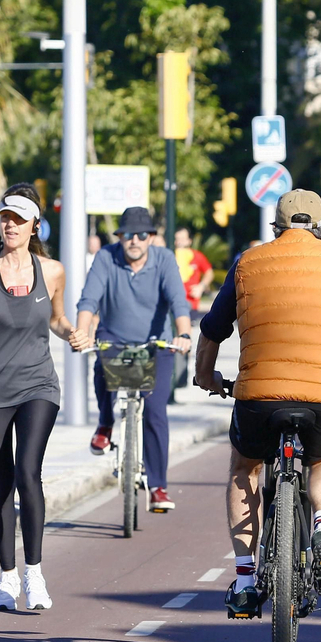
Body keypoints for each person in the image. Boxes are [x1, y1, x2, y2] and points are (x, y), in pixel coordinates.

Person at [193, 190, 321, 617]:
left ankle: (245, 579)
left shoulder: (247, 262)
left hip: (258, 397)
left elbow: (211, 332)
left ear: (276, 229)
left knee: (245, 467)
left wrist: (206, 378)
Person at [0, 184, 91, 612]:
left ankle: (35, 574)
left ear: (34, 225)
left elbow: (55, 318)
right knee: (0, 481)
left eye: (19, 219)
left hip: (38, 383)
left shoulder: (52, 271)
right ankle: (6, 580)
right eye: (5, 218)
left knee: (27, 471)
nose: (10, 225)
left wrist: (71, 332)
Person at [76, 206, 192, 512]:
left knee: (155, 412)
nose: (135, 241)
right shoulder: (105, 257)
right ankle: (105, 424)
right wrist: (81, 332)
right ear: (120, 237)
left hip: (157, 344)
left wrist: (184, 335)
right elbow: (89, 298)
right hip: (114, 339)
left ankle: (158, 487)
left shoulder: (165, 259)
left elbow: (178, 300)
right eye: (128, 235)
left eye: (142, 235)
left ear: (151, 237)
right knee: (101, 367)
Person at [172, 227, 214, 314]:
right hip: (172, 302)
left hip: (191, 303)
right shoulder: (169, 256)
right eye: (177, 239)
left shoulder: (197, 256)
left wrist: (201, 287)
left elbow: (209, 273)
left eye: (183, 239)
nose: (180, 242)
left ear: (189, 241)